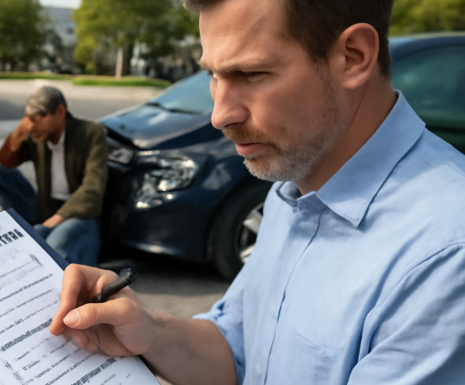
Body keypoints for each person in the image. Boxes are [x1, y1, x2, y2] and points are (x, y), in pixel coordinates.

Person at [49, 0, 465, 384]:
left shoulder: (446, 256)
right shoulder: (295, 187)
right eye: (213, 74)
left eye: (251, 74)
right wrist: (147, 330)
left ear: (353, 56)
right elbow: (240, 351)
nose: (219, 115)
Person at [0, 86, 108, 266]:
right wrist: (19, 133)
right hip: (45, 208)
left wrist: (58, 218)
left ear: (60, 112)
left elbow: (92, 188)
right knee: (0, 173)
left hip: (79, 214)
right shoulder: (37, 136)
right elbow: (7, 162)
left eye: (36, 119)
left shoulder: (91, 133)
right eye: (27, 119)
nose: (30, 126)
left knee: (54, 247)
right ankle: (31, 227)